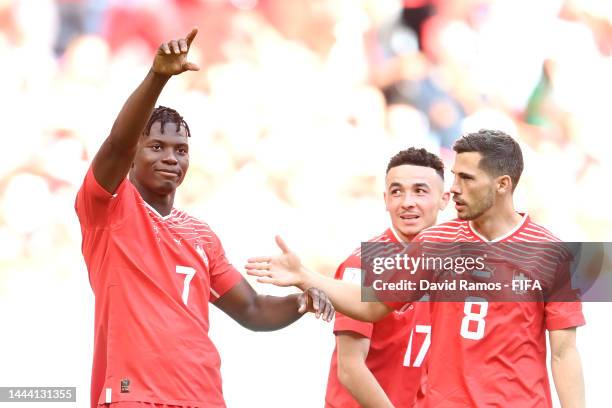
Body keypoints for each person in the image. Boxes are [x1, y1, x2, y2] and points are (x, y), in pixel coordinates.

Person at [74, 28, 334, 408]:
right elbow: (116, 144)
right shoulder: (109, 209)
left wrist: (303, 302)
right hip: (134, 395)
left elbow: (252, 309)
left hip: (203, 395)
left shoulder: (200, 234)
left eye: (181, 150)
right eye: (157, 147)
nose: (171, 158)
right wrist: (158, 76)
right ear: (133, 155)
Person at [246, 130, 585, 407]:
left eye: (466, 179)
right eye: (454, 177)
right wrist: (305, 276)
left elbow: (564, 352)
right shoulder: (436, 243)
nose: (454, 189)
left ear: (502, 184)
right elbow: (371, 305)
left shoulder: (550, 253)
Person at [325, 147, 449, 408]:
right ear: (385, 200)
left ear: (444, 199)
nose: (406, 202)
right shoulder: (363, 264)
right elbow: (350, 369)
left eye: (420, 191)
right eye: (396, 191)